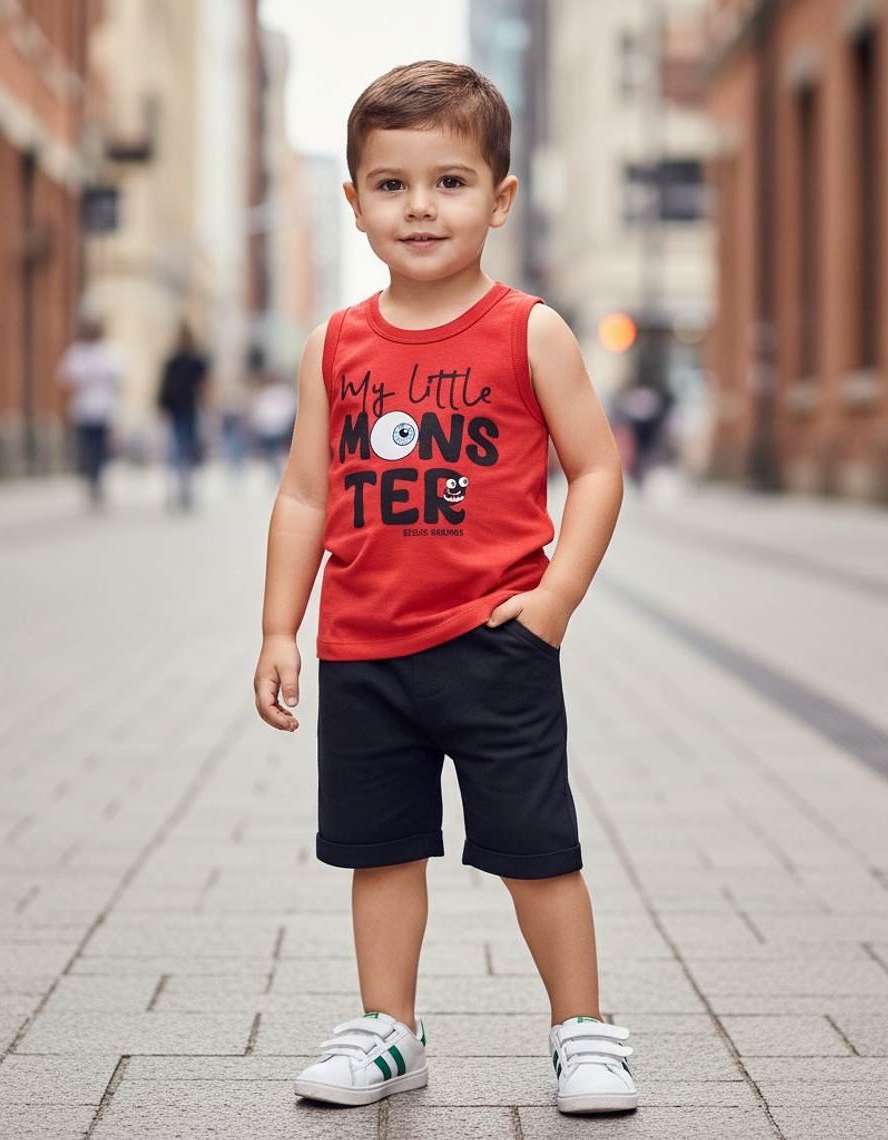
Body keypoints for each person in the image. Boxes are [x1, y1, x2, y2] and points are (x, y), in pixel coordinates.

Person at [253, 61, 633, 1116]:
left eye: (451, 182)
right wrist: (281, 628)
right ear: (355, 203)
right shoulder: (335, 344)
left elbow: (596, 468)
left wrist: (553, 604)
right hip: (363, 650)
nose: (420, 207)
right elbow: (301, 496)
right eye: (391, 184)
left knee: (535, 850)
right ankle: (390, 1031)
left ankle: (583, 1031)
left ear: (500, 199)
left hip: (494, 643)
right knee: (382, 852)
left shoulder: (529, 330)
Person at [58, 317, 122, 508]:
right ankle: (91, 480)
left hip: (103, 411)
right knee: (87, 448)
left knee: (99, 449)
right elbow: (65, 378)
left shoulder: (108, 353)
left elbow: (118, 380)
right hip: (84, 410)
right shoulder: (78, 352)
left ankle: (97, 481)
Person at [157, 323, 210, 510]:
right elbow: (205, 387)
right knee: (187, 448)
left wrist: (161, 407)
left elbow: (163, 386)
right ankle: (184, 484)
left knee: (177, 447)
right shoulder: (197, 361)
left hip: (176, 408)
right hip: (189, 408)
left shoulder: (172, 361)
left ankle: (180, 483)